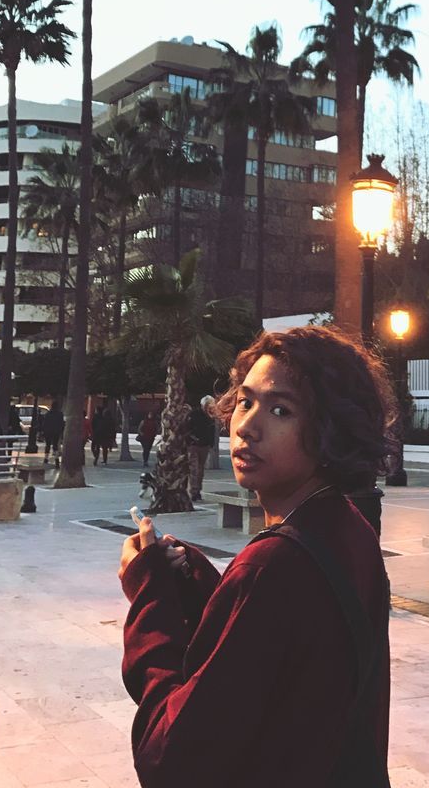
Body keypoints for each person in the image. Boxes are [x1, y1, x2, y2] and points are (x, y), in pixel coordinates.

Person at [118, 326, 394, 787]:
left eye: (281, 409)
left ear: (331, 430)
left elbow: (170, 761)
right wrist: (195, 580)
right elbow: (282, 651)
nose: (246, 425)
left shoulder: (272, 566)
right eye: (245, 401)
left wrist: (149, 597)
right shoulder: (345, 525)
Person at [187, 396, 216, 502]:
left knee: (200, 470)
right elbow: (187, 428)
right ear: (203, 405)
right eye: (208, 405)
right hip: (194, 446)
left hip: (205, 445)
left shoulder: (210, 416)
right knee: (194, 470)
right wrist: (193, 438)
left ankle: (198, 491)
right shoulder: (194, 414)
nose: (210, 407)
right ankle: (193, 492)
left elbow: (212, 430)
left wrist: (211, 443)